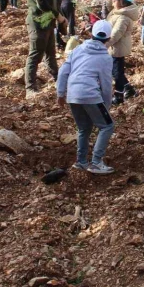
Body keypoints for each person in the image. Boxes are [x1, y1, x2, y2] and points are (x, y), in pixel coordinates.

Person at [57, 20, 116, 175]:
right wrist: (106, 106)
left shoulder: (78, 49)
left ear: (91, 34)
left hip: (72, 94)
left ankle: (81, 162)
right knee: (107, 126)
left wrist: (60, 93)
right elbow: (106, 85)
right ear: (109, 39)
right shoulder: (105, 58)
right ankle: (96, 162)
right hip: (90, 94)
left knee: (84, 128)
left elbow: (63, 71)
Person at [25, 0, 65, 96]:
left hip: (47, 21)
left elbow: (51, 1)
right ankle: (30, 88)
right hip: (38, 21)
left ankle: (59, 80)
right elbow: (41, 3)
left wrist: (58, 15)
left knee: (50, 53)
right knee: (35, 54)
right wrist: (58, 16)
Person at [107, 0, 139, 105]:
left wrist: (104, 44)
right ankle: (129, 89)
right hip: (115, 48)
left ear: (121, 1)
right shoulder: (118, 12)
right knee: (117, 72)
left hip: (118, 48)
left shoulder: (123, 17)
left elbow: (115, 35)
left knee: (117, 73)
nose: (112, 3)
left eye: (114, 0)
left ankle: (119, 96)